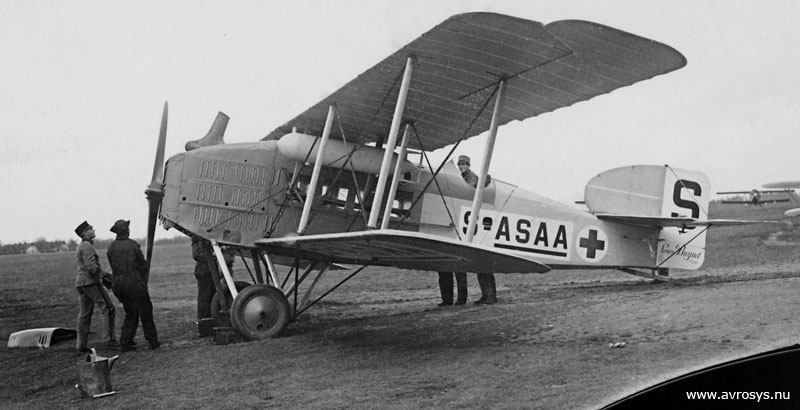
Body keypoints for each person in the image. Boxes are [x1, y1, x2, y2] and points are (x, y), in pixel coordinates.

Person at [106, 219, 160, 351]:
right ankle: (152, 341)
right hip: (134, 283)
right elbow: (142, 265)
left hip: (118, 284)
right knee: (145, 310)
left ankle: (125, 342)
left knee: (131, 312)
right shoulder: (133, 245)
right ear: (126, 231)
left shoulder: (111, 247)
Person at [73, 221, 116, 353]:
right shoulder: (87, 247)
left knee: (84, 315)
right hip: (90, 282)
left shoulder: (82, 246)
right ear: (85, 233)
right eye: (90, 228)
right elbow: (91, 266)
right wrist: (106, 276)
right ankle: (108, 341)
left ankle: (81, 345)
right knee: (108, 309)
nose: (93, 230)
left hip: (81, 283)